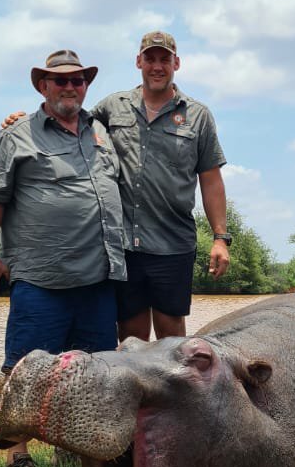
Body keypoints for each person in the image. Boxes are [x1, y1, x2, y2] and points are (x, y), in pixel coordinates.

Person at [0, 50, 126, 467]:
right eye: (60, 81)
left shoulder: (100, 132)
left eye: (77, 81)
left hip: (98, 275)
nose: (70, 88)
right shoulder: (18, 134)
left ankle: (71, 446)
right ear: (43, 86)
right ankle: (19, 457)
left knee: (93, 368)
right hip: (41, 274)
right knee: (24, 368)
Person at [91, 31, 230, 342]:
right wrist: (23, 122)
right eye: (150, 59)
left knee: (171, 337)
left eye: (164, 59)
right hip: (124, 243)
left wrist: (220, 239)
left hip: (173, 244)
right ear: (138, 62)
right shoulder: (113, 107)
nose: (157, 66)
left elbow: (211, 180)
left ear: (176, 63)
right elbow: (68, 122)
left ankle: (172, 392)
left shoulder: (198, 116)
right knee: (130, 335)